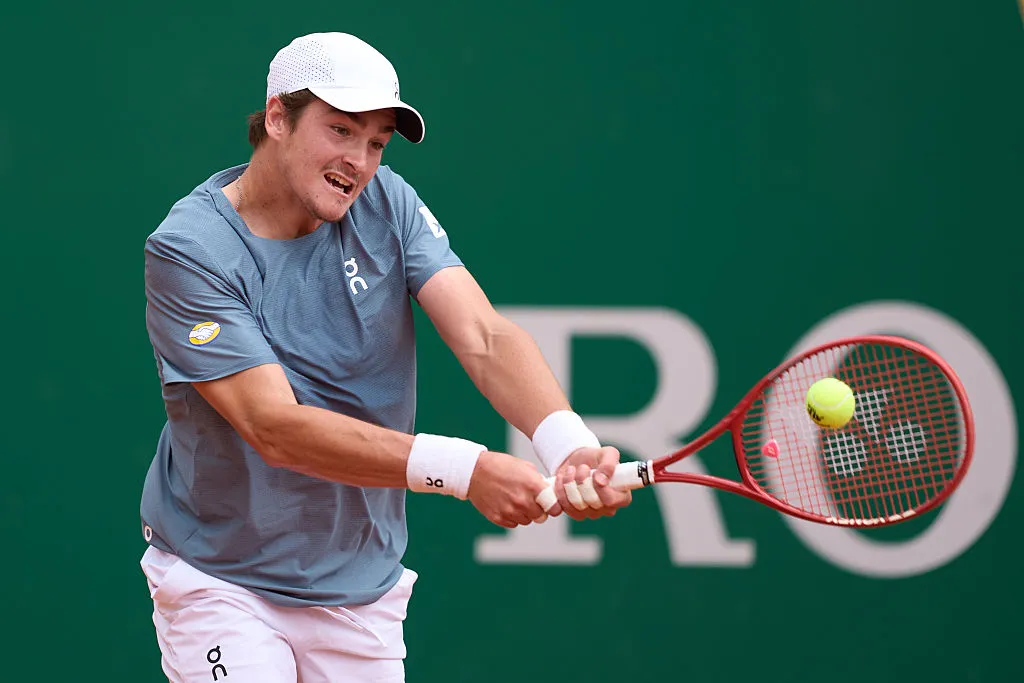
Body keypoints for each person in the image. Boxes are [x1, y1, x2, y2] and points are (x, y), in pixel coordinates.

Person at [139, 31, 632, 682]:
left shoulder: (385, 202)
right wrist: (464, 468)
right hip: (223, 582)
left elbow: (484, 335)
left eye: (376, 142)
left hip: (360, 589)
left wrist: (565, 442)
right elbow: (275, 428)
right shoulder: (190, 250)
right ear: (278, 117)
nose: (360, 161)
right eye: (341, 130)